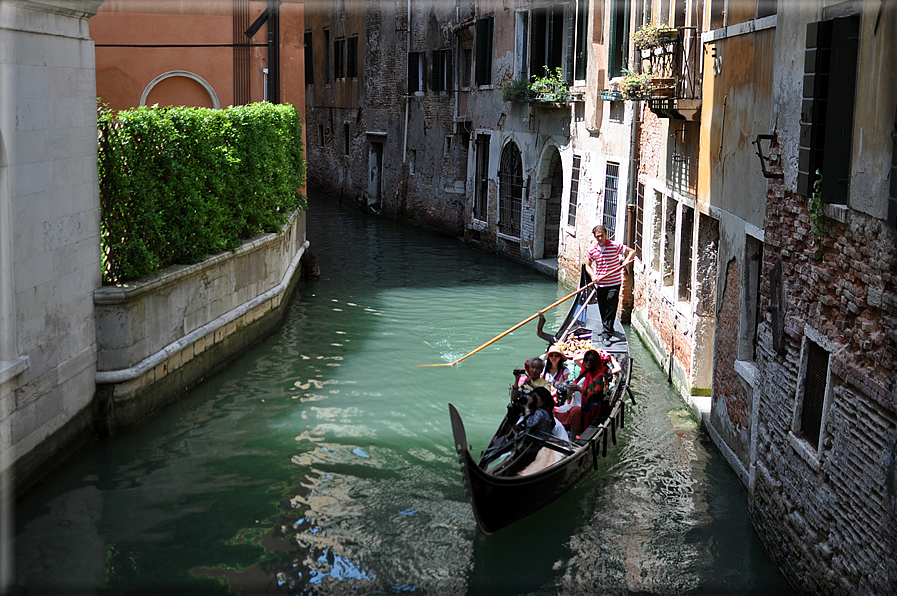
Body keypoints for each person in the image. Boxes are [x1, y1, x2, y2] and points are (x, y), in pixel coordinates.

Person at [584, 224, 635, 341]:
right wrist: (593, 276)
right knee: (603, 308)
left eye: (601, 236)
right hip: (600, 284)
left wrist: (626, 261)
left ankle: (606, 334)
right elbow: (587, 265)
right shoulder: (592, 250)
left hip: (614, 283)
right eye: (597, 237)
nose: (600, 239)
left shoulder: (615, 246)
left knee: (611, 307)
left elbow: (632, 251)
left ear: (606, 234)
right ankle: (609, 328)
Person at [493, 386, 557, 476]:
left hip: (534, 445)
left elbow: (530, 423)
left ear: (543, 401)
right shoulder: (548, 412)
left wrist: (527, 408)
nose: (534, 401)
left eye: (536, 399)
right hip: (539, 443)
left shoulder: (540, 412)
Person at [554, 349, 615, 434]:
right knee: (555, 412)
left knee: (575, 412)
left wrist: (578, 388)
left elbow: (595, 395)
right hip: (576, 403)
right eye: (586, 360)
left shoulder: (599, 376)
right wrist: (570, 391)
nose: (588, 363)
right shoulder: (584, 372)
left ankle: (573, 437)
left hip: (588, 408)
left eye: (591, 361)